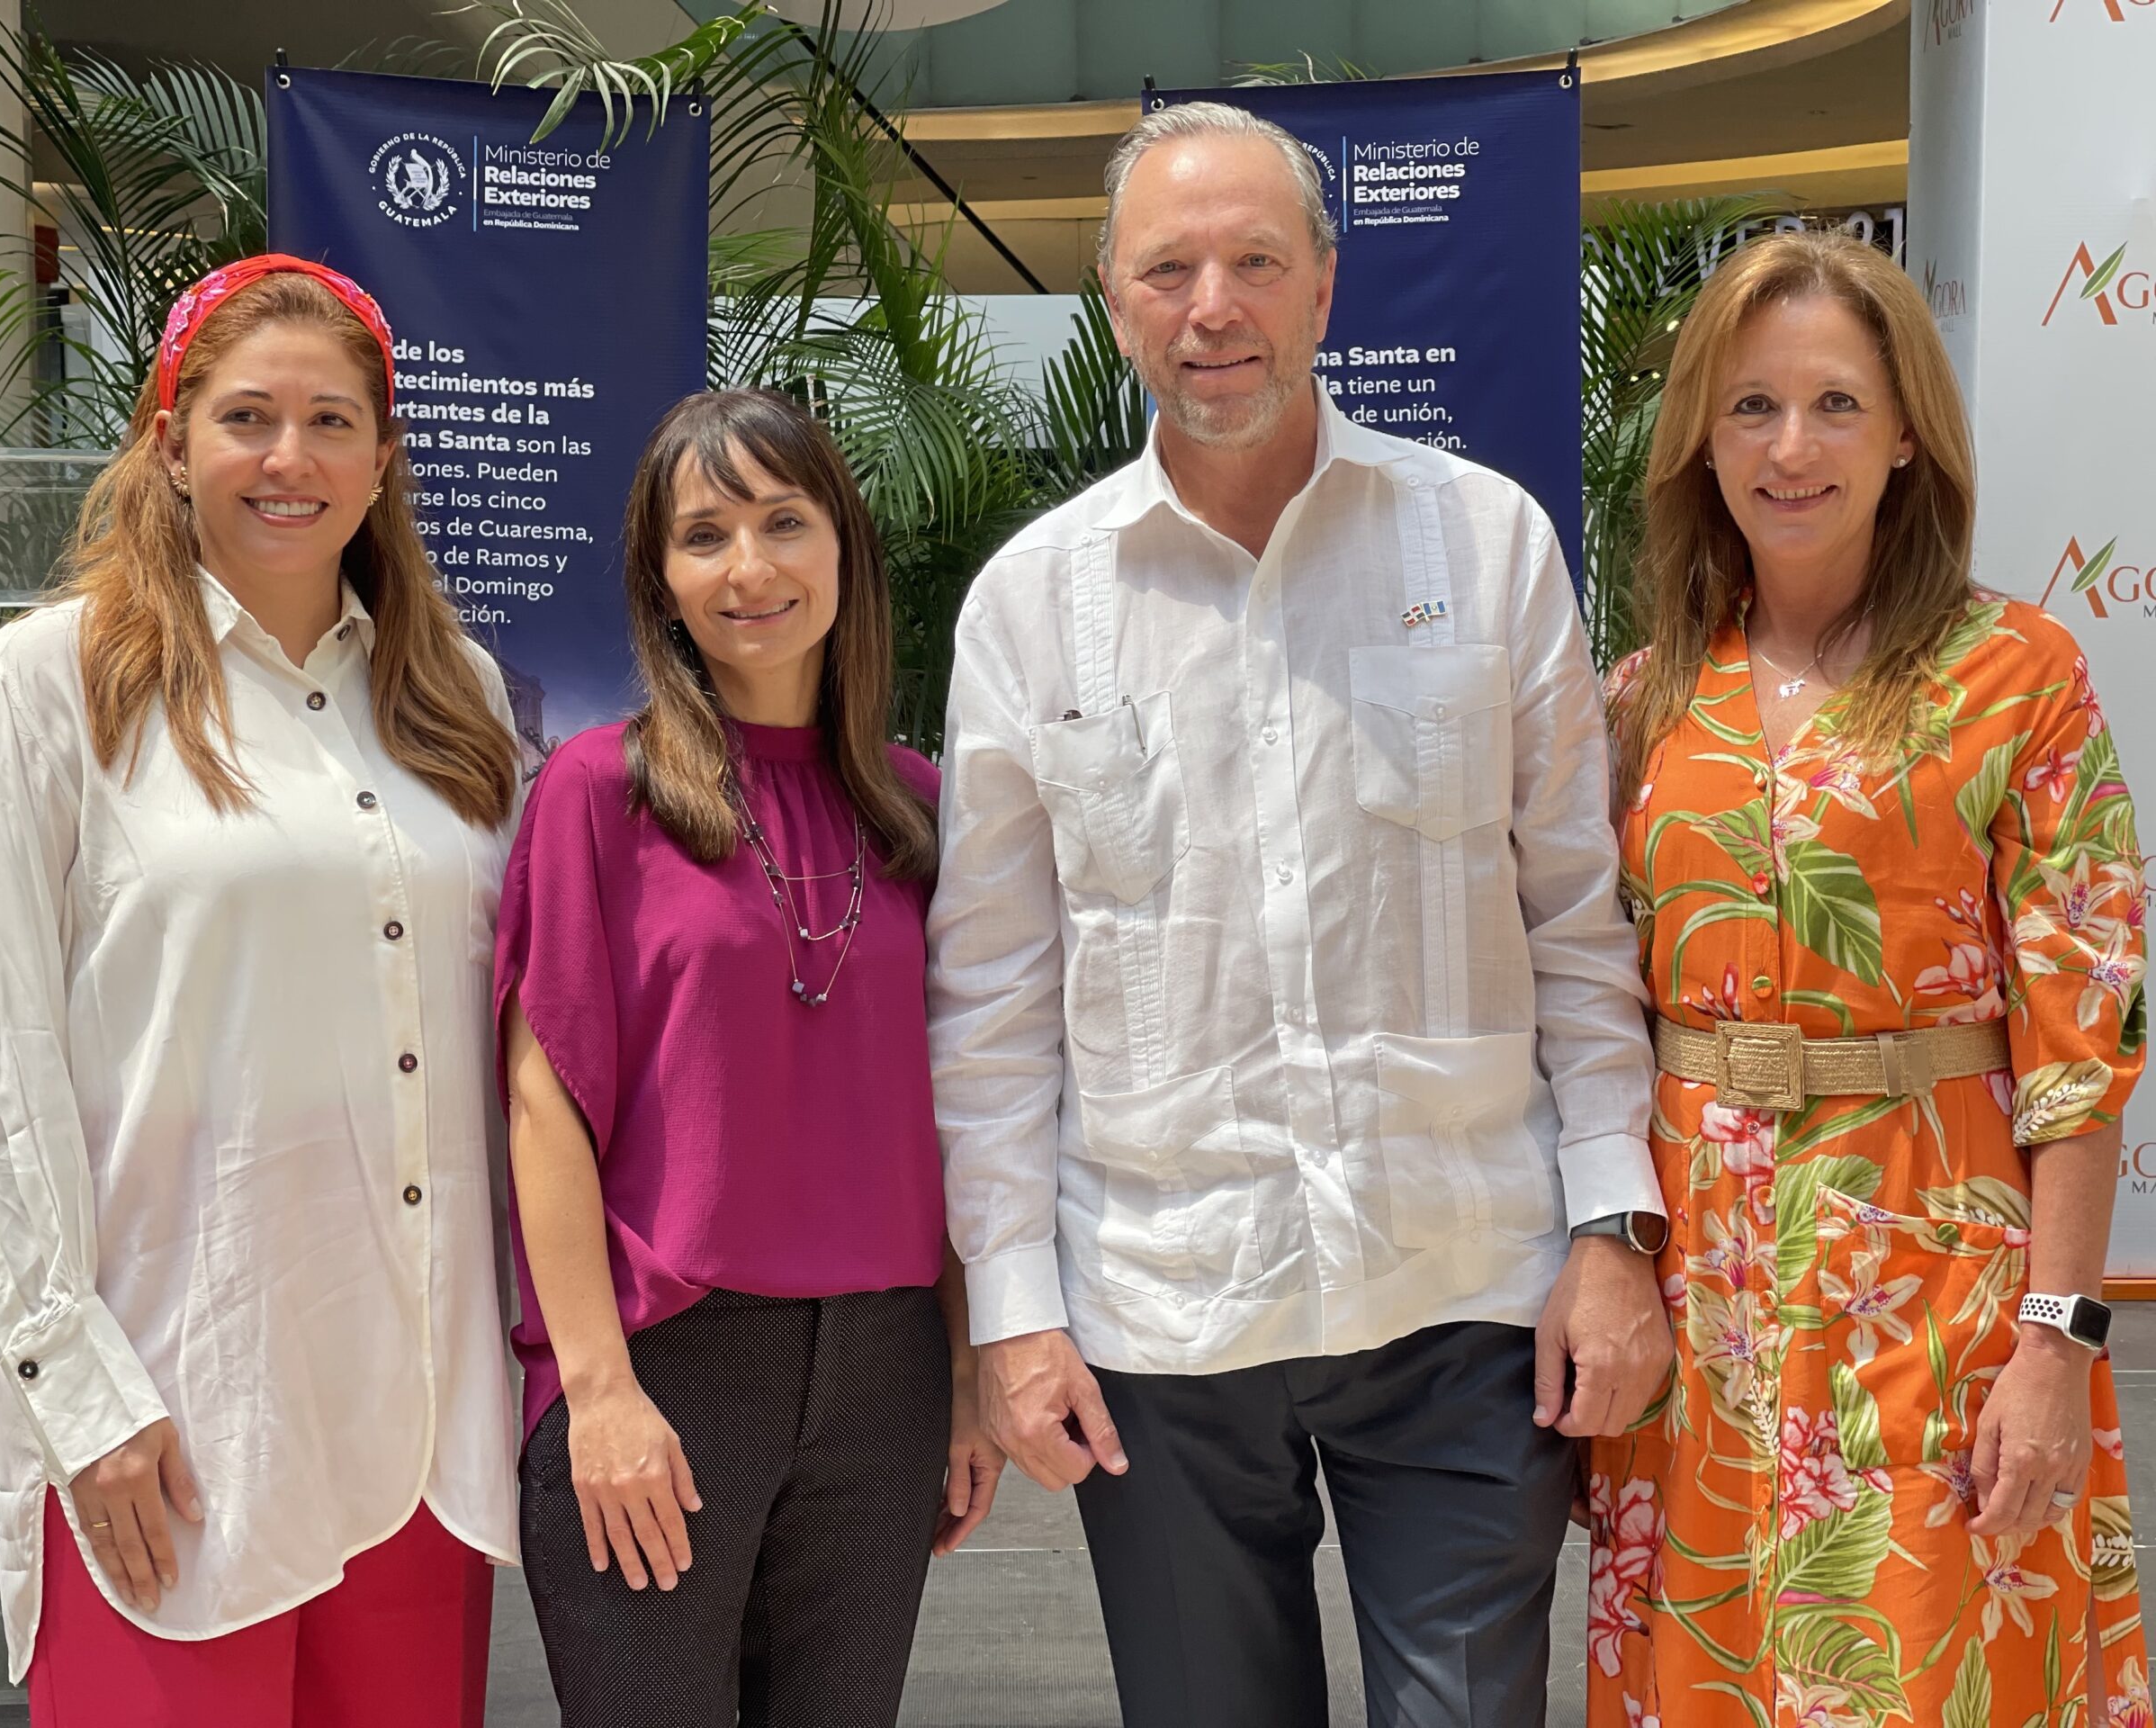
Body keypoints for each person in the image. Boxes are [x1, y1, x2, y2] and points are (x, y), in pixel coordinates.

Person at [926, 102, 1673, 1728]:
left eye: (1256, 262)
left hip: (1466, 1285)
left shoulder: (1485, 546)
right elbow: (992, 999)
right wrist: (1015, 1314)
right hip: (1164, 1307)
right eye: (1169, 270)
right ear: (1113, 302)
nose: (1215, 307)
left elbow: (1575, 923)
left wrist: (1613, 1231)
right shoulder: (1032, 607)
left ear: (1326, 287)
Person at [0, 255, 524, 1727]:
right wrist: (79, 1392)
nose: (289, 458)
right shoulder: (49, 685)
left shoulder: (461, 699)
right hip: (172, 1418)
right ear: (171, 442)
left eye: (331, 421)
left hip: (420, 1428)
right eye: (248, 417)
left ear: (383, 457)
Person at [1591, 230, 2149, 1724]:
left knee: (1927, 1669)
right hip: (1699, 1296)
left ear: (1908, 435)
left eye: (1836, 403)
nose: (1792, 447)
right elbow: (1589, 1014)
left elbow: (2081, 1047)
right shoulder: (1644, 700)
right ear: (1703, 441)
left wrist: (2057, 1341)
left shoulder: (2018, 677)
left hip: (1938, 1285)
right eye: (1752, 406)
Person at [496, 387, 1003, 1728]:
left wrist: (963, 1375)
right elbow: (544, 1106)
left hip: (886, 1368)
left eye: (784, 522)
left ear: (842, 547)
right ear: (660, 580)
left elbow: (961, 1104)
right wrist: (595, 1388)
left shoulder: (919, 805)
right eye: (704, 535)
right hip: (670, 1360)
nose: (750, 567)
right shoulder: (596, 791)